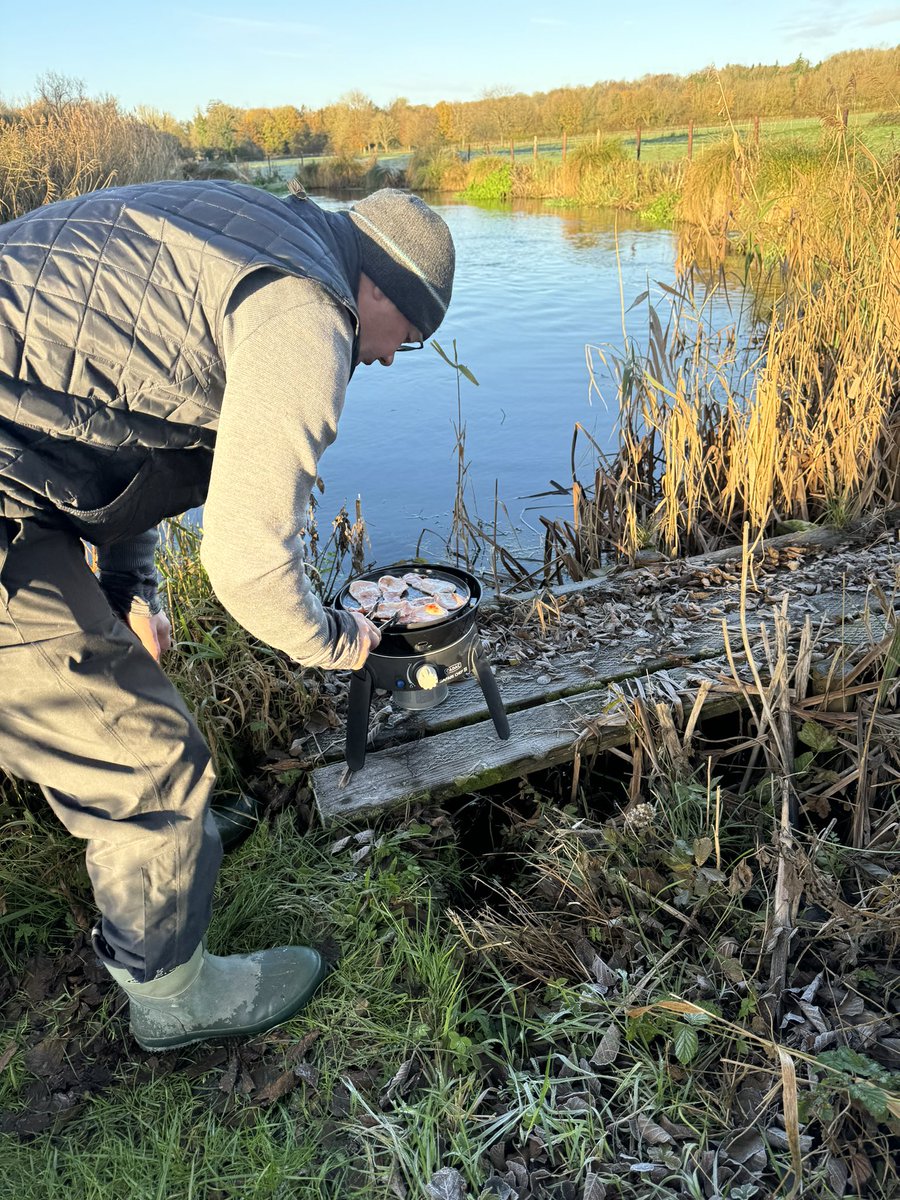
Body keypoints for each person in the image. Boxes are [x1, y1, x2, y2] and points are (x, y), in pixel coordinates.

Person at [0, 179, 455, 1051]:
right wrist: (337, 642)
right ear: (382, 291)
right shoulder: (306, 317)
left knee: (126, 697)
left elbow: (126, 416)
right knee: (146, 763)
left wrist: (133, 589)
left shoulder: (261, 230)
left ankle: (180, 852)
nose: (396, 358)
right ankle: (172, 995)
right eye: (414, 336)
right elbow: (246, 566)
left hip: (23, 473)